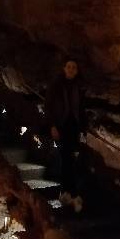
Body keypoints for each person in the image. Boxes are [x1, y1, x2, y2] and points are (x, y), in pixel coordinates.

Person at [45, 58, 86, 212]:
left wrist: (83, 129)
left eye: (74, 67)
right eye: (68, 67)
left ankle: (68, 192)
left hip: (73, 127)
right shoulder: (56, 85)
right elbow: (48, 106)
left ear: (76, 70)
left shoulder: (78, 87)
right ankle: (70, 193)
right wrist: (52, 126)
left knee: (71, 159)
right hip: (61, 126)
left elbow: (81, 109)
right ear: (64, 68)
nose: (71, 69)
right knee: (66, 158)